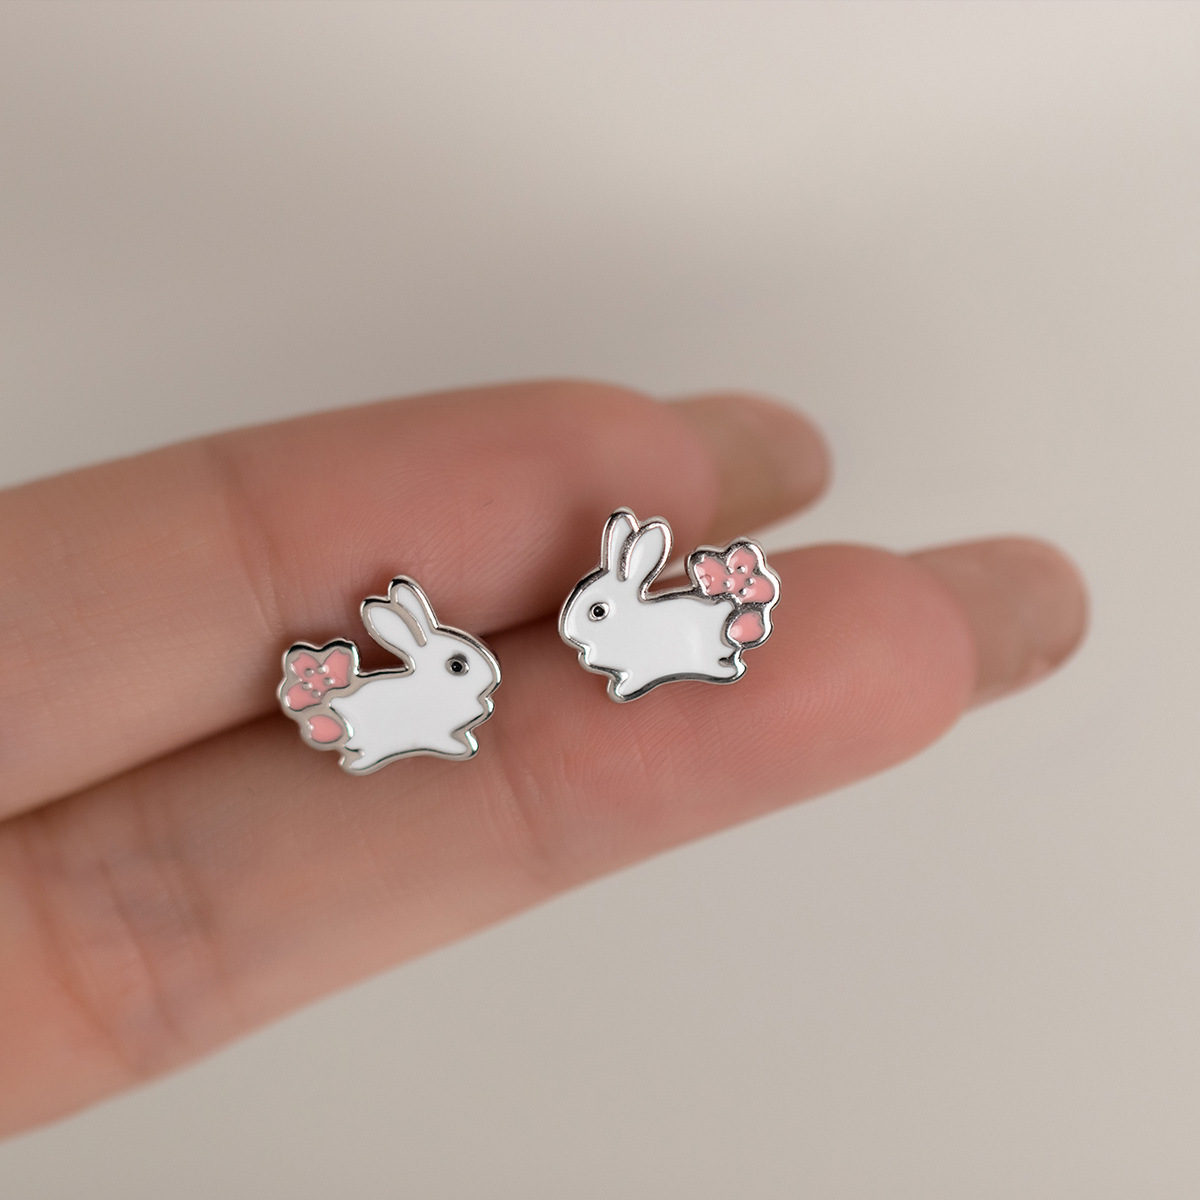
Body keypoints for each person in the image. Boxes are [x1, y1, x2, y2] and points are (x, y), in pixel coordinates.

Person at [0, 379, 1086, 1135]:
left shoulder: (568, 642)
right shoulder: (456, 679)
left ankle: (707, 623)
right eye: (458, 666)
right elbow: (479, 683)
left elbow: (555, 661)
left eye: (595, 610)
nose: (573, 630)